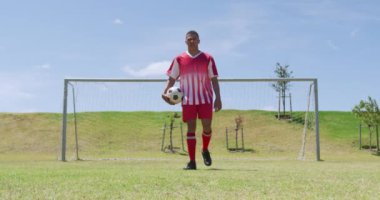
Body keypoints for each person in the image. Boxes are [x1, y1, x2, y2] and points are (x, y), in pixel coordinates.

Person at [162, 30, 222, 170]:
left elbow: (214, 79)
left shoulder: (208, 58)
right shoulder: (179, 59)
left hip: (205, 98)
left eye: (194, 39)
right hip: (188, 99)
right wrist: (165, 92)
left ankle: (205, 149)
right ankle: (192, 162)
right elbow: (172, 78)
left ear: (199, 40)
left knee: (207, 126)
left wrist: (218, 98)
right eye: (189, 39)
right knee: (191, 129)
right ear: (185, 41)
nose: (192, 41)